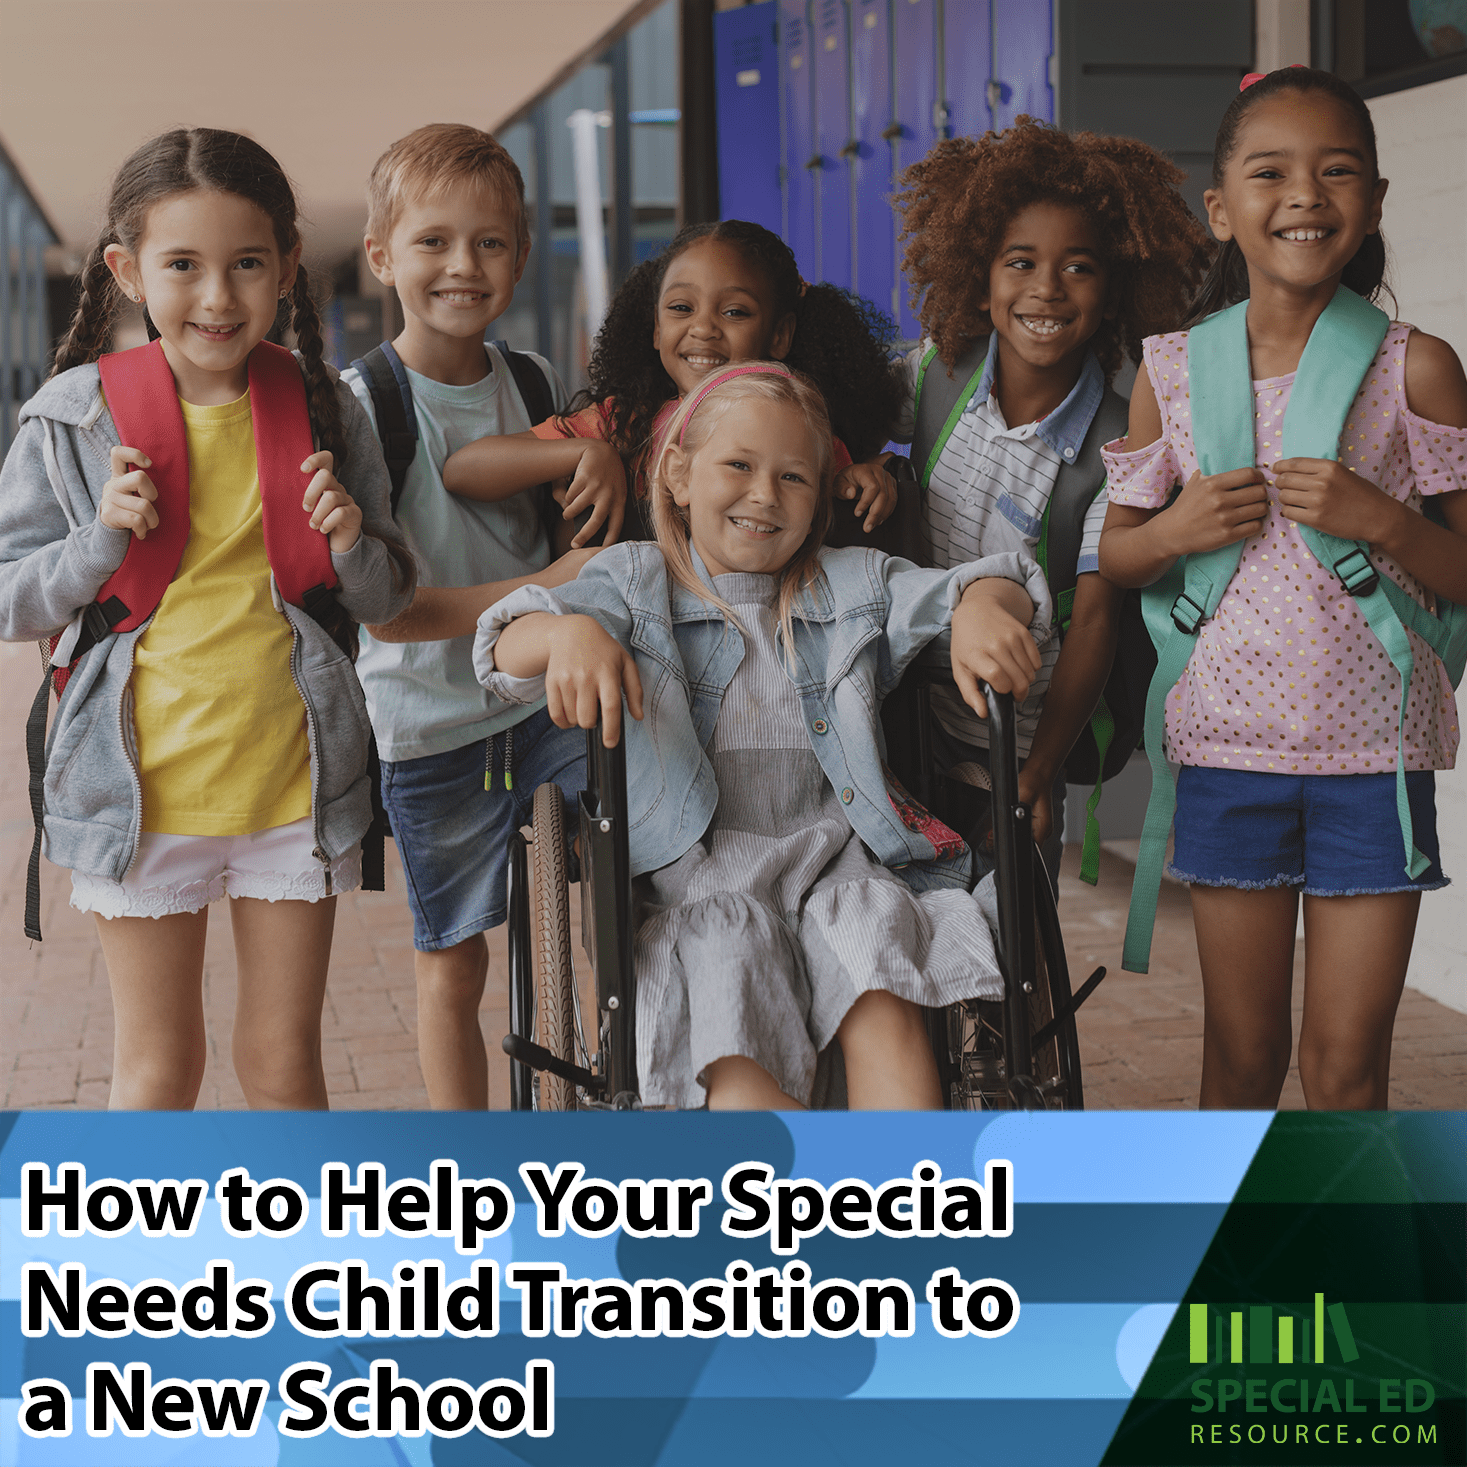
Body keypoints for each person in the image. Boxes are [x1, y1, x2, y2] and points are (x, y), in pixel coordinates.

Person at [473, 364, 1051, 1110]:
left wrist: (977, 605)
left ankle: (906, 1198)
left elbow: (1002, 580)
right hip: (702, 877)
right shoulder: (631, 583)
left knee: (879, 975)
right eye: (737, 466)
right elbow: (501, 646)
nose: (762, 495)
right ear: (678, 475)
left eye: (792, 478)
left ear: (817, 502)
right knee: (732, 970)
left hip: (838, 863)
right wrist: (567, 632)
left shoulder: (851, 584)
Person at [0, 128, 415, 1109]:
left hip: (295, 795)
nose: (218, 297)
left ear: (285, 268)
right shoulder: (74, 416)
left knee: (283, 1065)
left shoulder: (325, 410)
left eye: (246, 265)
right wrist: (96, 544)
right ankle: (140, 1266)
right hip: (135, 800)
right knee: (156, 1071)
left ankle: (300, 1258)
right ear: (126, 271)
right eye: (183, 264)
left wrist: (352, 541)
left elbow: (390, 599)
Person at [1099, 68, 1467, 1109]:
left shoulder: (1417, 369)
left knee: (1347, 1070)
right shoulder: (1169, 370)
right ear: (1220, 210)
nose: (1305, 194)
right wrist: (1173, 527)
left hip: (1376, 763)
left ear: (1376, 202)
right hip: (1226, 758)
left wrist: (1382, 520)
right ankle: (1241, 1269)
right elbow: (1119, 556)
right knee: (1241, 1062)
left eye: (1336, 170)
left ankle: (1344, 1276)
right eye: (1272, 173)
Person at [343, 123, 611, 1110]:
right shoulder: (362, 405)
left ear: (523, 256)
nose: (464, 265)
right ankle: (473, 1167)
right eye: (433, 242)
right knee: (453, 970)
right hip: (433, 726)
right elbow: (393, 618)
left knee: (624, 918)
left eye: (491, 243)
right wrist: (553, 585)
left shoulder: (536, 381)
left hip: (551, 704)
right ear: (381, 256)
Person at [890, 117, 1212, 887]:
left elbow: (1096, 623)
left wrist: (1033, 772)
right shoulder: (937, 370)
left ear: (1116, 288)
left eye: (1077, 268)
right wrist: (859, 464)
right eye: (1020, 262)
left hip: (1010, 736)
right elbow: (817, 425)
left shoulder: (1117, 441)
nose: (1044, 289)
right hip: (900, 718)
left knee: (1014, 952)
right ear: (981, 274)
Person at [442, 219, 907, 543]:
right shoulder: (623, 423)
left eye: (734, 312)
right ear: (656, 328)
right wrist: (587, 451)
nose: (703, 328)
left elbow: (839, 498)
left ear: (780, 334)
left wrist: (858, 481)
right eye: (682, 308)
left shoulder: (804, 433)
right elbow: (464, 470)